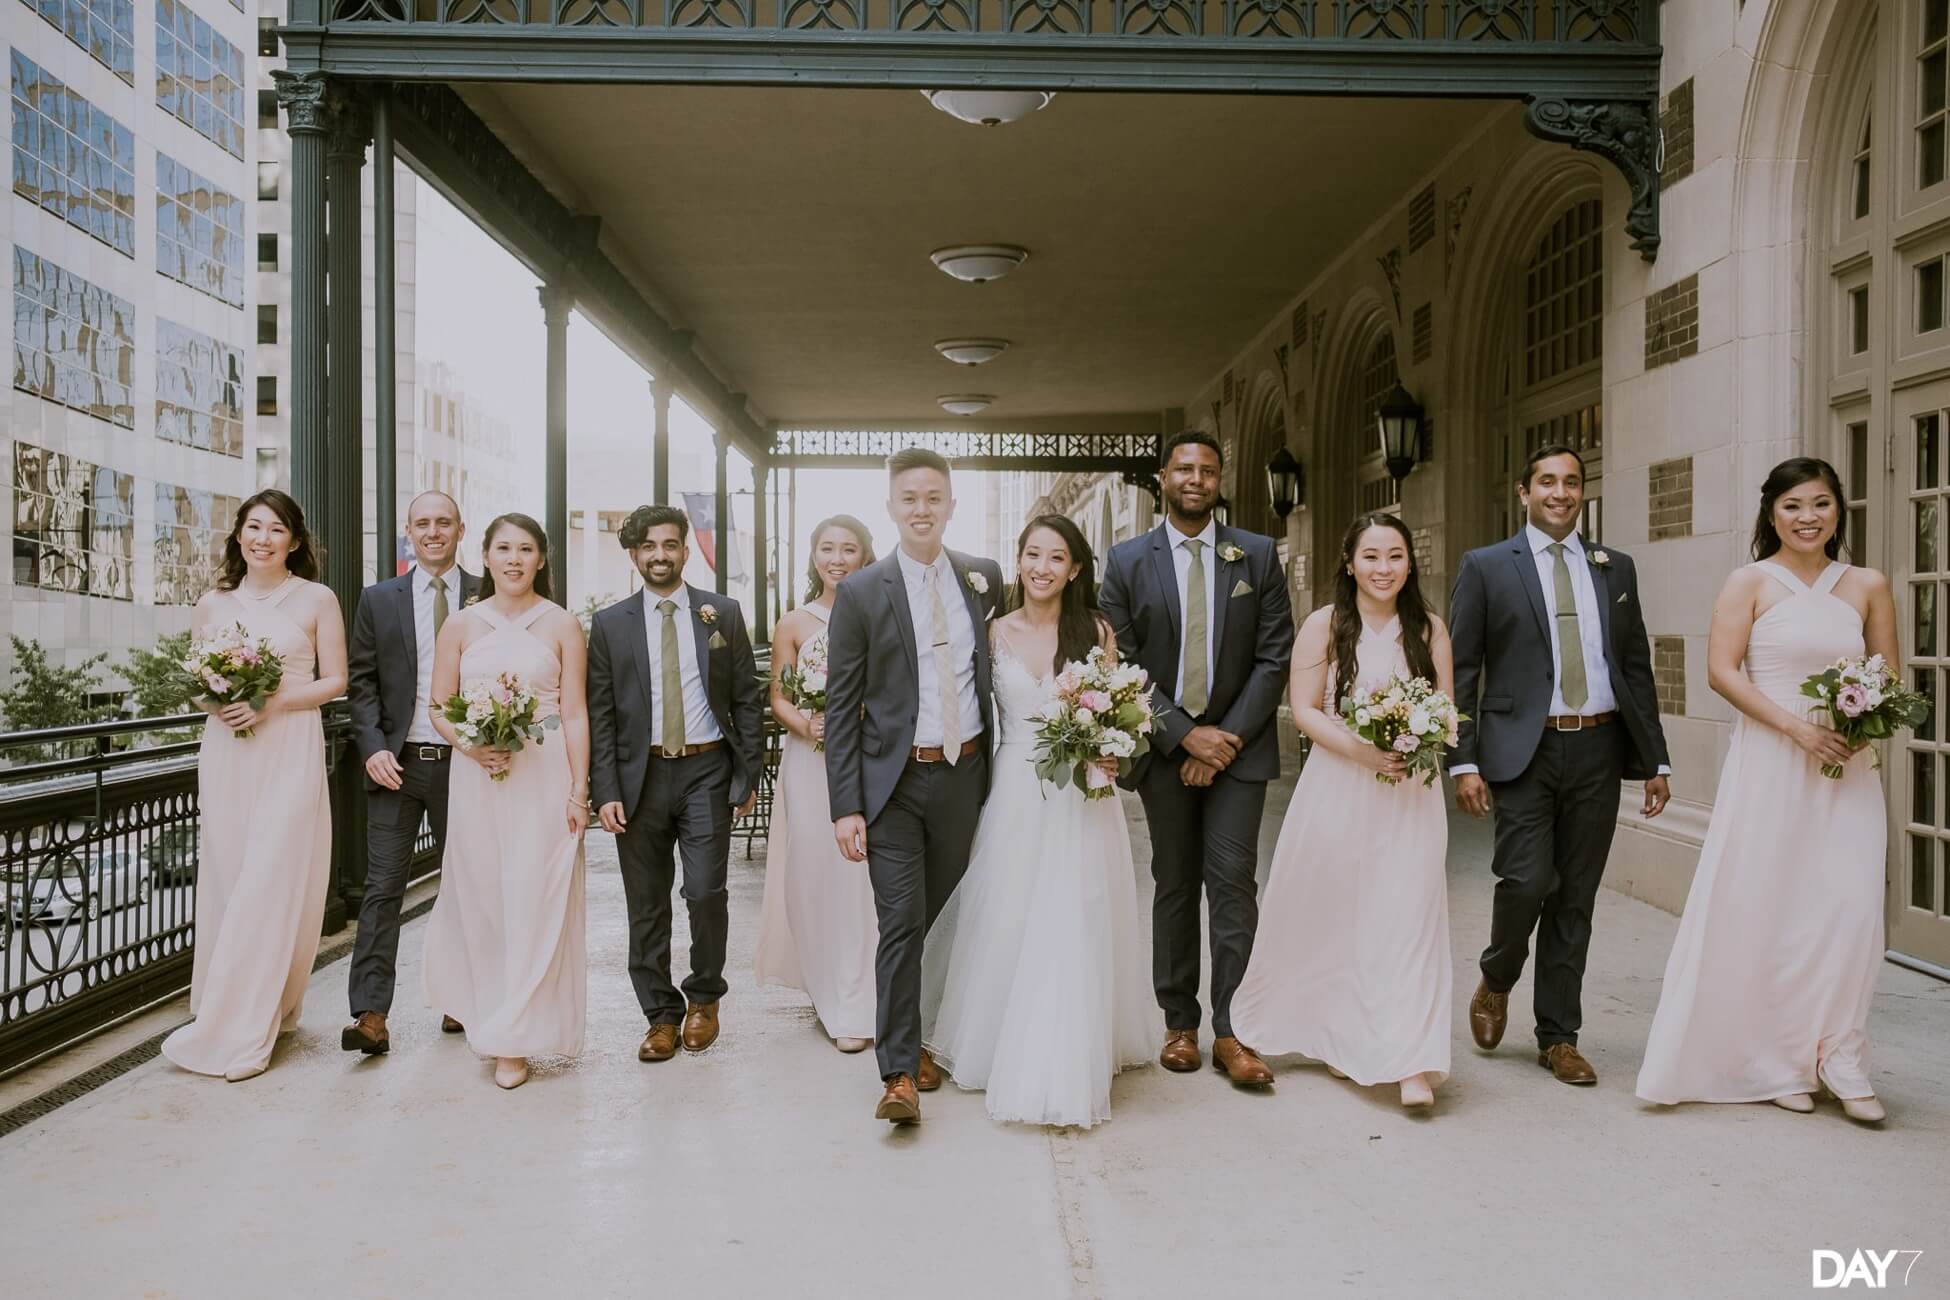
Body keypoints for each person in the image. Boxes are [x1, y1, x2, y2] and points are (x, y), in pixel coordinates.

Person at [1637, 459, 1895, 1124]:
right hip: (1772, 764)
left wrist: (1863, 729)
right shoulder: (1749, 581)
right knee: (1771, 906)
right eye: (1792, 506)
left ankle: (1841, 1055)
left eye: (1821, 504)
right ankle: (1778, 1059)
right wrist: (1797, 731)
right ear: (1771, 514)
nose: (1808, 518)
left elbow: (1887, 674)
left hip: (1846, 770)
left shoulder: (1867, 584)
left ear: (1839, 509)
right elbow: (1723, 674)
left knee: (1850, 909)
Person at [920, 515, 1156, 1127]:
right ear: (1018, 561)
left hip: (1082, 794)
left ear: (1076, 568)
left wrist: (1111, 747)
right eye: (1032, 554)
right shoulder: (992, 631)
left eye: (1056, 557)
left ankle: (1072, 1047)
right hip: (1017, 790)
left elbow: (1120, 715)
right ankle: (1002, 1038)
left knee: (1076, 911)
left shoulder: (1096, 631)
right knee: (1011, 910)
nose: (1042, 567)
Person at [1448, 444, 1671, 1087]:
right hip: (1525, 747)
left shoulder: (1615, 568)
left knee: (1575, 895)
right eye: (1547, 481)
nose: (1561, 492)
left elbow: (1635, 667)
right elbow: (1463, 671)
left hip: (1599, 746)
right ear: (1524, 492)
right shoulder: (1487, 567)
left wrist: (1655, 757)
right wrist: (1463, 762)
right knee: (1524, 879)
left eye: (1572, 482)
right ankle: (1497, 975)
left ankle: (1558, 1036)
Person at [1229, 514, 1453, 1109]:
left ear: (1411, 563)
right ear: (1349, 562)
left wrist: (1415, 740)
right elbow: (1304, 710)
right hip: (1339, 786)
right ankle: (1342, 1037)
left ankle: (1410, 1058)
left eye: (1396, 556)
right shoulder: (1325, 626)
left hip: (1410, 792)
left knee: (1409, 916)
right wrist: (1364, 751)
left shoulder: (1429, 628)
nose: (1385, 569)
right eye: (1372, 557)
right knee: (1343, 913)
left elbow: (1447, 710)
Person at [1099, 430, 1295, 1086]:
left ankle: (1234, 1030)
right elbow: (1120, 663)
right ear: (1163, 477)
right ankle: (1178, 1022)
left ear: (1220, 480)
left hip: (1239, 752)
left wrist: (1221, 742)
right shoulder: (1127, 561)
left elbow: (1275, 656)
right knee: (1176, 882)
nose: (1196, 478)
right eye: (1184, 468)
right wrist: (1183, 736)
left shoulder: (1258, 556)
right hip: (1163, 751)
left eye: (1208, 470)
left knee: (1235, 882)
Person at [825, 448, 1005, 1125]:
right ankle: (898, 1071)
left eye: (934, 497)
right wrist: (846, 804)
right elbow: (842, 706)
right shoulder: (864, 591)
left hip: (966, 777)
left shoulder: (983, 580)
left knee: (949, 919)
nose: (922, 509)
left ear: (951, 504)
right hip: (893, 783)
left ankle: (935, 1038)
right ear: (892, 507)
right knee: (900, 922)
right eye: (910, 499)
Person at [161, 490, 345, 1082]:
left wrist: (270, 701)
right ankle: (235, 1005)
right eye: (253, 527)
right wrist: (221, 703)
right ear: (239, 535)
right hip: (228, 752)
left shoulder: (317, 598)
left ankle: (249, 1026)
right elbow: (195, 682)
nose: (263, 538)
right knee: (232, 877)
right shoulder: (212, 603)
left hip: (290, 745)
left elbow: (336, 680)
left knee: (272, 875)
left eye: (276, 529)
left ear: (294, 540)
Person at [588, 505, 764, 1064]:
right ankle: (660, 1015)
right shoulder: (611, 624)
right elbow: (601, 715)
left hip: (705, 770)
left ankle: (705, 997)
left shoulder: (722, 614)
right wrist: (605, 789)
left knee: (705, 891)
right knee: (646, 903)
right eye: (648, 547)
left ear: (686, 551)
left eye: (669, 544)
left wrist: (748, 773)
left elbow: (745, 699)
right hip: (638, 776)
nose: (659, 555)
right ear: (635, 555)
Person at [420, 513, 590, 1090]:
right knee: (487, 900)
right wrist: (470, 745)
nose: (514, 559)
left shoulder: (563, 624)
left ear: (541, 559)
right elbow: (439, 706)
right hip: (480, 776)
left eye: (526, 549)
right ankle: (492, 1019)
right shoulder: (461, 625)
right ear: (486, 556)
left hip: (543, 776)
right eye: (503, 548)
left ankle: (519, 1037)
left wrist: (579, 788)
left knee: (536, 897)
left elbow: (573, 712)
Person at [342, 490, 480, 1055]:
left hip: (467, 767)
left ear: (460, 529)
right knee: (382, 891)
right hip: (397, 766)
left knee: (469, 884)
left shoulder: (487, 594)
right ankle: (370, 1014)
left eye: (443, 522)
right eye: (422, 523)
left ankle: (462, 998)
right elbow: (362, 682)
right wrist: (372, 745)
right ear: (408, 532)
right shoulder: (379, 600)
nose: (432, 532)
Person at [754, 515, 880, 1052]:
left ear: (865, 555)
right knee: (814, 871)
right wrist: (805, 722)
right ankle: (826, 986)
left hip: (868, 760)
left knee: (863, 877)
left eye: (848, 548)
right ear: (813, 556)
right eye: (826, 548)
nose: (837, 558)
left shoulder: (880, 611)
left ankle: (863, 992)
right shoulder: (794, 623)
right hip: (809, 762)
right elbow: (780, 694)